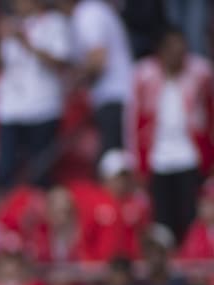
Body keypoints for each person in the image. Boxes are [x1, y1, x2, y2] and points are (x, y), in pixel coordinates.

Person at [132, 28, 214, 243]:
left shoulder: (201, 73)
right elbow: (134, 121)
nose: (177, 56)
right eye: (172, 51)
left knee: (191, 219)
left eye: (182, 51)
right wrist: (138, 163)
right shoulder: (144, 76)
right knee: (162, 224)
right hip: (158, 159)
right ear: (161, 52)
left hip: (190, 157)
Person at [0, 0, 72, 189]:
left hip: (42, 108)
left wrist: (25, 42)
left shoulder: (55, 22)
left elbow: (60, 63)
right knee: (5, 172)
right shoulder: (12, 24)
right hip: (9, 109)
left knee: (40, 175)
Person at [59, 0, 133, 159]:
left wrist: (72, 81)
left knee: (113, 161)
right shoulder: (91, 11)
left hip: (114, 97)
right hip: (114, 96)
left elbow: (98, 60)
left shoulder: (88, 13)